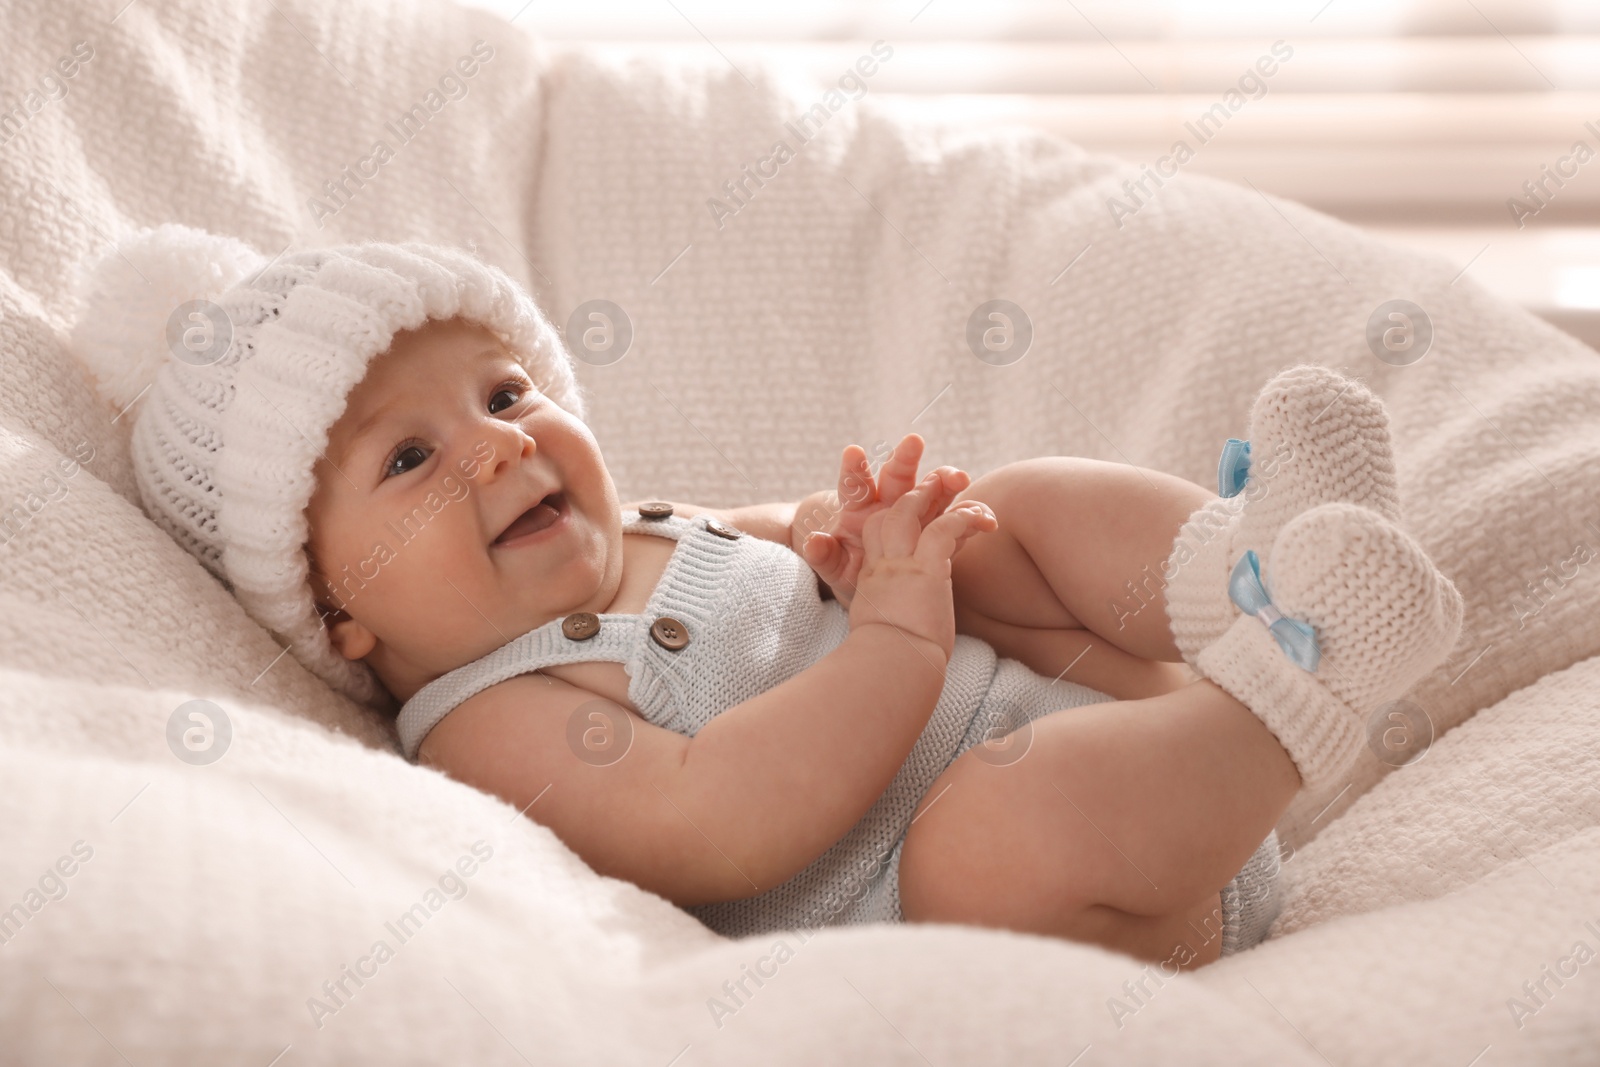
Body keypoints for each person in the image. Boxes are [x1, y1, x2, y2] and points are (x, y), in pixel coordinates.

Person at [72, 227, 1463, 967]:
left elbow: (798, 550)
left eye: (504, 393)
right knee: (985, 837)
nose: (497, 443)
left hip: (1109, 723)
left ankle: (1253, 568)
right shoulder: (481, 721)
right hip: (1091, 902)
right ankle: (1309, 676)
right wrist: (907, 627)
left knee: (999, 515)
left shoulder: (650, 526)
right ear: (341, 621)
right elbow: (717, 817)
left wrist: (850, 538)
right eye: (414, 458)